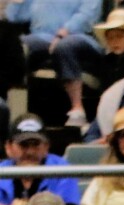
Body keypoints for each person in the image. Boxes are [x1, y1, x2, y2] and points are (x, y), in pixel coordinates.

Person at [5, 0, 103, 129]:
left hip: (78, 36)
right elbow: (14, 17)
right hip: (42, 37)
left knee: (65, 46)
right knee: (14, 46)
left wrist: (63, 33)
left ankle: (77, 110)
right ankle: (10, 105)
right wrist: (16, 3)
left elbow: (87, 15)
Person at [0, 115, 82, 205]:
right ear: (8, 147)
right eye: (23, 144)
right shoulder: (1, 171)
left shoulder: (62, 170)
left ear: (46, 146)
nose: (30, 152)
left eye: (36, 144)